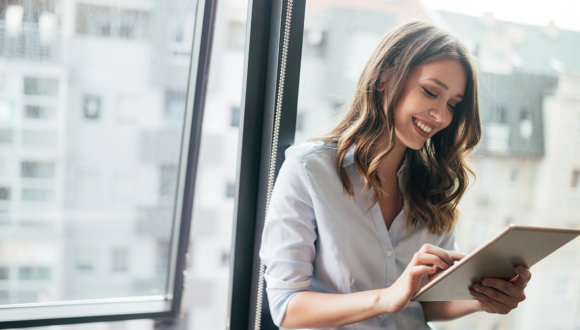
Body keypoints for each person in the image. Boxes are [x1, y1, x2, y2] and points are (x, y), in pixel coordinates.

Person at [259, 21, 531, 330]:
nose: (441, 116)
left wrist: (483, 299)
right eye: (431, 92)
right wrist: (387, 297)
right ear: (385, 78)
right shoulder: (308, 171)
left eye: (453, 105)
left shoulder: (435, 187)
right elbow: (286, 308)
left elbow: (425, 303)